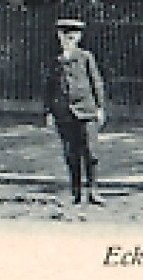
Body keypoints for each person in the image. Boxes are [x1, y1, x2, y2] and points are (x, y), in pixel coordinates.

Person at [43, 17, 108, 205]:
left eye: (72, 36)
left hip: (86, 110)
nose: (68, 39)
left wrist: (100, 107)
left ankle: (93, 191)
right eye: (64, 35)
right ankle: (76, 192)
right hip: (63, 113)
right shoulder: (56, 61)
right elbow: (49, 88)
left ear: (78, 37)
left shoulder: (85, 57)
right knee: (71, 153)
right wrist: (49, 112)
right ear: (59, 37)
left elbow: (96, 82)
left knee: (91, 151)